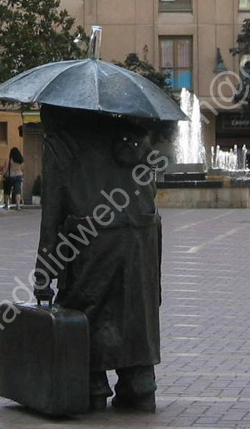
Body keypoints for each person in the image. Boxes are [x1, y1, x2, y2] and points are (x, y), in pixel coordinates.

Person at [33, 104, 161, 413]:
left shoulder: (62, 144)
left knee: (84, 307)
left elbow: (51, 214)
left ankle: (93, 385)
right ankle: (140, 383)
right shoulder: (133, 137)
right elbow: (149, 190)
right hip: (141, 238)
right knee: (136, 308)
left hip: (89, 238)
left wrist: (44, 273)